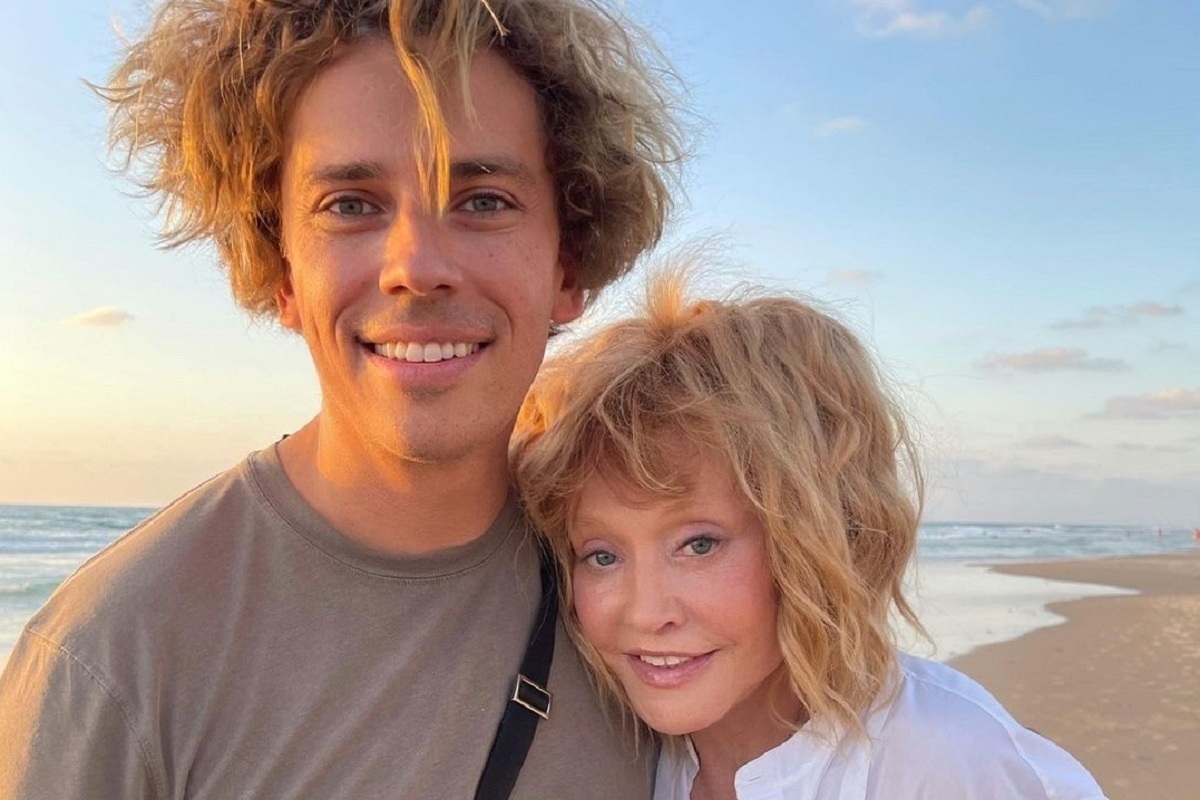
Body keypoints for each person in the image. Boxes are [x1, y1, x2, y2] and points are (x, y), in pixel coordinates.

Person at [0, 1, 684, 797]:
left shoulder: (656, 615)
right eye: (351, 205)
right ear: (282, 272)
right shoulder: (113, 662)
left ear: (569, 265)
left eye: (483, 200)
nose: (416, 266)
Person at [511, 269, 1108, 799]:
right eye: (602, 555)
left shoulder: (950, 762)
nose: (646, 612)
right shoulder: (617, 758)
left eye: (699, 544)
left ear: (816, 538)